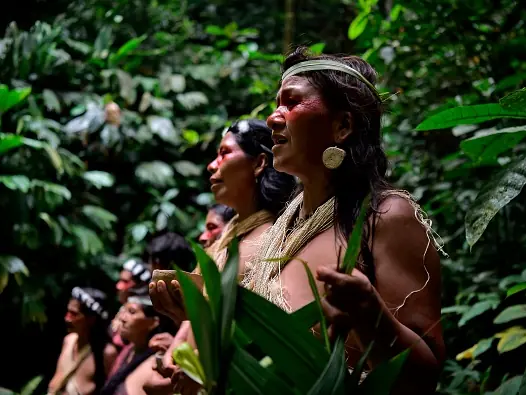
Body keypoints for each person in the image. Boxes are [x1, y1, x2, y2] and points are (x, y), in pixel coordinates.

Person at [242, 47, 445, 394]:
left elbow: (425, 379)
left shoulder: (385, 216)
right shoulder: (283, 227)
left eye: (291, 103)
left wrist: (371, 316)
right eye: (277, 103)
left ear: (342, 126)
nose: (274, 117)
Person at [148, 119, 297, 394]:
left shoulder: (270, 241)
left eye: (224, 153)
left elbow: (255, 344)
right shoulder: (226, 240)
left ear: (259, 163)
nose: (212, 165)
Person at [100, 291, 175, 395]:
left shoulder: (158, 362)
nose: (122, 318)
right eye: (124, 311)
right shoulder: (129, 349)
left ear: (153, 322)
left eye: (131, 312)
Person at [49, 287, 116, 395]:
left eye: (74, 314)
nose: (67, 318)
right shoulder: (69, 340)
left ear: (91, 319)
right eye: (68, 312)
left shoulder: (107, 353)